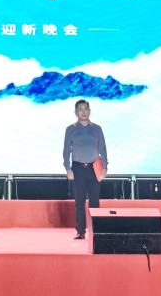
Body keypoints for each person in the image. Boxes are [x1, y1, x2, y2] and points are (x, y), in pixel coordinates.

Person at [62, 99, 108, 240]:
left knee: (94, 202)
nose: (83, 112)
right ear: (76, 112)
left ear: (90, 111)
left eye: (86, 109)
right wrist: (68, 169)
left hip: (94, 168)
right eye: (80, 109)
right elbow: (66, 151)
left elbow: (103, 149)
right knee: (79, 202)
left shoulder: (97, 129)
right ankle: (80, 231)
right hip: (77, 169)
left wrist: (105, 167)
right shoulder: (70, 129)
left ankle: (96, 231)